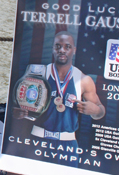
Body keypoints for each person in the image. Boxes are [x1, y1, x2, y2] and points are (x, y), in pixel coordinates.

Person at [15, 31, 105, 167]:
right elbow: (17, 104)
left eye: (67, 47)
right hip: (38, 139)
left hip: (67, 144)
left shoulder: (83, 80)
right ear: (52, 49)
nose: (62, 50)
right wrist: (17, 112)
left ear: (74, 50)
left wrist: (95, 109)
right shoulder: (38, 73)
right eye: (57, 46)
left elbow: (100, 112)